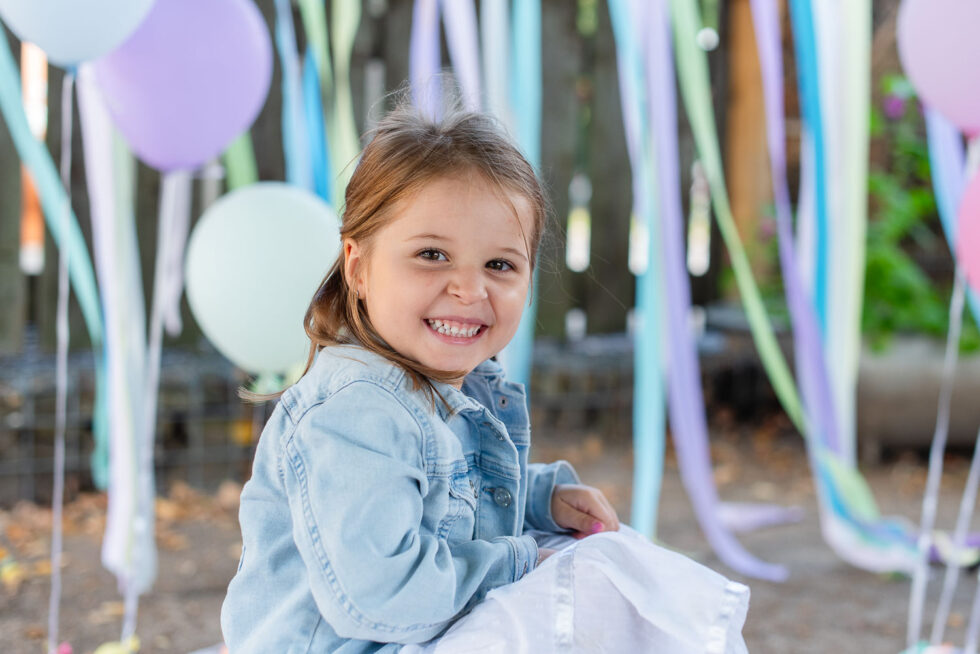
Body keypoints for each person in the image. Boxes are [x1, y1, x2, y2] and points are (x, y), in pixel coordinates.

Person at [221, 100, 749, 653]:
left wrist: (539, 499)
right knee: (584, 586)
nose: (470, 291)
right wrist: (522, 559)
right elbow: (383, 596)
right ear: (358, 266)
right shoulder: (358, 411)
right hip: (362, 638)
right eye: (432, 254)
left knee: (606, 560)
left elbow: (441, 499)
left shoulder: (453, 385)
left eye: (499, 265)